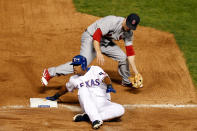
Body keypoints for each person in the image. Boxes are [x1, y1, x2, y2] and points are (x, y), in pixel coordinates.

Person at [41, 13, 143, 88]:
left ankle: (126, 80)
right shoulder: (112, 21)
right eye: (128, 25)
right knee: (82, 64)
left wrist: (136, 72)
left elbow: (130, 52)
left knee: (123, 57)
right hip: (91, 37)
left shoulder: (129, 32)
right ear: (125, 19)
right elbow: (96, 35)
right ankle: (50, 73)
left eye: (131, 27)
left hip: (105, 42)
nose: (128, 28)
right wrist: (98, 52)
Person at [46, 55, 125, 129]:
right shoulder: (73, 79)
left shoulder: (95, 69)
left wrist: (109, 85)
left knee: (120, 110)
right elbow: (66, 88)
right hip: (88, 105)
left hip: (104, 104)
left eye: (77, 65)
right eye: (73, 65)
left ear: (83, 65)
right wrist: (55, 96)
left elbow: (105, 77)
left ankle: (88, 117)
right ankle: (95, 119)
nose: (74, 67)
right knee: (83, 88)